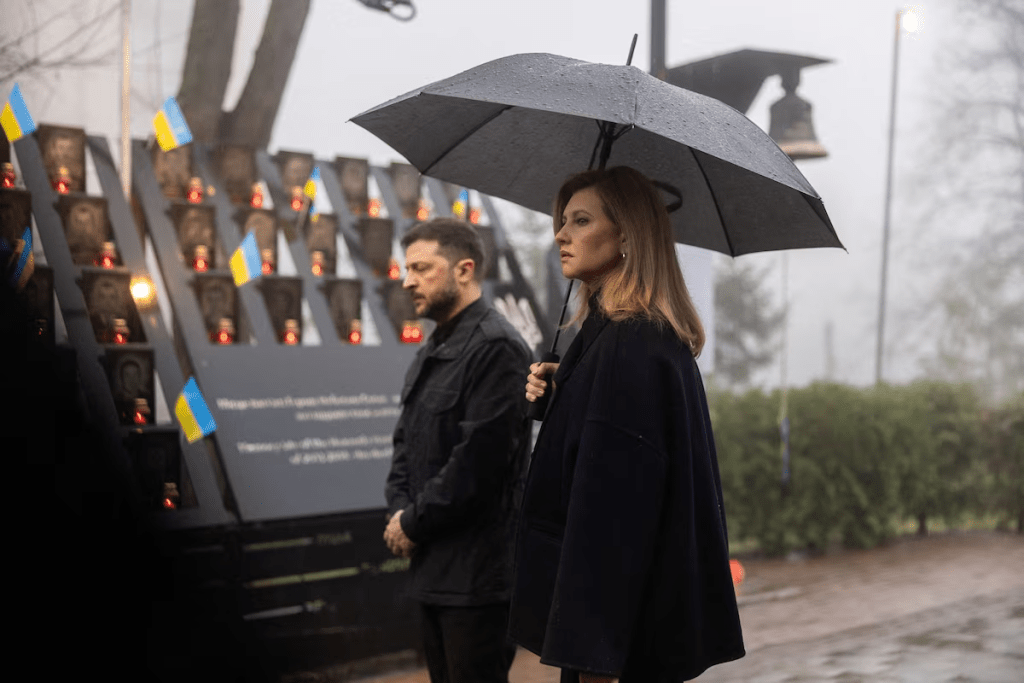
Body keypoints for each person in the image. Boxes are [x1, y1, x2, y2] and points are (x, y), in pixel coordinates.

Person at [508, 167, 745, 683]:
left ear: (626, 237)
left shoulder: (628, 345)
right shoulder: (630, 337)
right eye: (562, 221)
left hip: (616, 648)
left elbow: (612, 516)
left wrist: (596, 659)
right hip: (628, 637)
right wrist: (567, 390)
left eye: (581, 220)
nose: (561, 235)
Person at [384, 217, 532, 683]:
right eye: (406, 269)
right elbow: (405, 445)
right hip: (432, 569)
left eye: (421, 268)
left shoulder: (498, 348)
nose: (408, 281)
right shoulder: (430, 352)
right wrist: (399, 513)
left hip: (477, 580)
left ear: (464, 270)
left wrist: (412, 522)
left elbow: (477, 464)